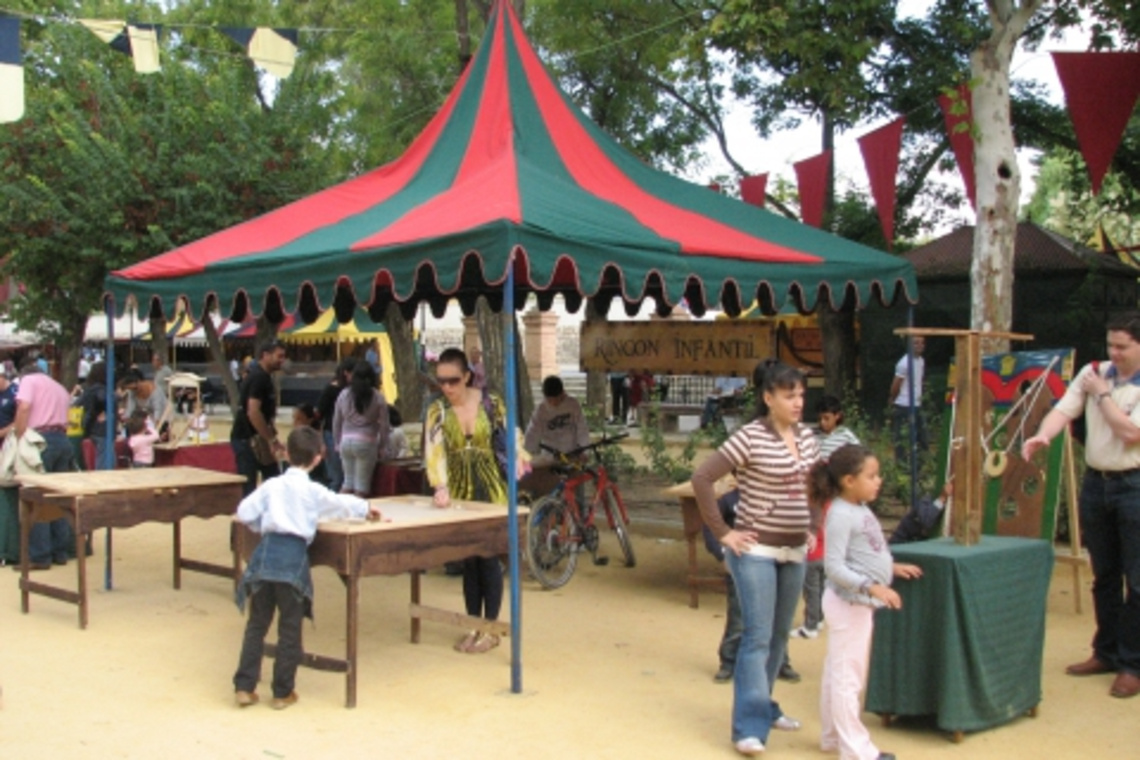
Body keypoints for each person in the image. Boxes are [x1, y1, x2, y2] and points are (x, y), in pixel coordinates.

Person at [691, 361, 821, 756]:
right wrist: (724, 533)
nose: (798, 402)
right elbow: (702, 479)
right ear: (768, 398)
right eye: (789, 395)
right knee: (757, 637)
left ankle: (764, 706)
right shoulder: (749, 437)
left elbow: (814, 485)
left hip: (794, 550)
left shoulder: (809, 437)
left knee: (780, 636)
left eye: (801, 394)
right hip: (756, 552)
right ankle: (748, 727)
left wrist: (813, 523)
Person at [1021, 311, 1140, 699]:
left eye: (1122, 346)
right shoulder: (1092, 371)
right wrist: (1042, 436)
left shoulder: (1103, 383)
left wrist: (1103, 394)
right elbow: (1063, 410)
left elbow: (1129, 434)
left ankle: (1132, 663)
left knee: (1136, 579)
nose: (1114, 353)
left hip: (1134, 484)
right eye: (1111, 345)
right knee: (1104, 574)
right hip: (1097, 483)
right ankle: (1104, 652)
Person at [232, 426, 381, 710]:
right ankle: (282, 692)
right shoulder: (313, 491)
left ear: (286, 453)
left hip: (264, 557)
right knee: (290, 628)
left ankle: (244, 686)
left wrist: (260, 523)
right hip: (293, 558)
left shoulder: (272, 486)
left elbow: (244, 512)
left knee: (257, 624)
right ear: (318, 458)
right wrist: (365, 508)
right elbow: (340, 504)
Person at [808, 443, 922, 760]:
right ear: (848, 480)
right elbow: (834, 566)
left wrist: (890, 568)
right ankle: (857, 750)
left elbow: (864, 551)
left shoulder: (858, 508)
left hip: (855, 603)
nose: (878, 481)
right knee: (848, 677)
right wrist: (872, 586)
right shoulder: (842, 514)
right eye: (871, 476)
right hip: (850, 604)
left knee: (839, 672)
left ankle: (833, 737)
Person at [423, 348, 529, 654]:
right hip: (459, 492)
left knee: (488, 559)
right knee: (469, 560)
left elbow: (512, 437)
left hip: (492, 491)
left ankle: (491, 629)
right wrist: (439, 485)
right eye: (440, 381)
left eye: (453, 381)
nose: (446, 387)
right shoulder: (437, 411)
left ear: (467, 376)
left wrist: (520, 459)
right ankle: (473, 624)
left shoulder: (491, 403)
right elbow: (434, 452)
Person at [792, 395, 864, 639]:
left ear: (838, 416)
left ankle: (819, 617)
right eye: (820, 418)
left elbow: (859, 460)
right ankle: (817, 616)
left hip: (835, 497)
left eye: (827, 418)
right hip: (817, 496)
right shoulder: (813, 437)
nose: (823, 423)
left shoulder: (847, 438)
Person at [13, 357, 76, 570]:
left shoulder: (28, 382)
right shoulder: (58, 386)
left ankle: (39, 555)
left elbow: (24, 408)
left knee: (36, 497)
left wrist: (20, 436)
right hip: (62, 439)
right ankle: (60, 551)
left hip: (40, 439)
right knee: (59, 498)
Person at [230, 341, 287, 497]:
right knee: (250, 486)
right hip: (247, 439)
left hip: (255, 438)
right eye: (279, 356)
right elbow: (253, 411)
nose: (282, 360)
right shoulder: (259, 377)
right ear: (266, 355)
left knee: (273, 481)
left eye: (283, 357)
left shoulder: (264, 377)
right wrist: (270, 439)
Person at [520, 375, 591, 498]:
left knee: (574, 491)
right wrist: (525, 453)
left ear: (562, 394)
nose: (553, 403)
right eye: (549, 400)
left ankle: (579, 513)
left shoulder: (572, 405)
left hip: (572, 455)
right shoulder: (541, 410)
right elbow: (533, 433)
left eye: (556, 399)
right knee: (551, 490)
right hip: (551, 457)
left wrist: (585, 450)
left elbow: (582, 429)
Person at [332, 362, 390, 499]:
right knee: (362, 486)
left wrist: (337, 442)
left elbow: (336, 421)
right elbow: (384, 425)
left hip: (346, 442)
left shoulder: (344, 395)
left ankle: (339, 509)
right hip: (367, 442)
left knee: (348, 482)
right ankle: (358, 513)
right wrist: (382, 446)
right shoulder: (377, 397)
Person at [315, 357, 355, 492]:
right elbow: (318, 416)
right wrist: (321, 442)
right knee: (337, 477)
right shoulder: (331, 390)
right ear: (346, 373)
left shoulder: (352, 391)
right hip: (331, 435)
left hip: (348, 436)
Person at [888, 336, 927, 464]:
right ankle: (901, 466)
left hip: (917, 404)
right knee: (902, 438)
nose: (919, 345)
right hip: (903, 404)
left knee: (921, 437)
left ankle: (920, 465)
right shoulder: (904, 363)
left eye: (921, 343)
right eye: (916, 343)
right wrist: (894, 399)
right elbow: (896, 384)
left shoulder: (921, 361)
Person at [77, 361, 115, 468]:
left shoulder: (89, 389)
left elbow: (79, 404)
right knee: (105, 459)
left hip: (92, 427)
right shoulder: (102, 390)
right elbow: (101, 400)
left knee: (104, 457)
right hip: (102, 428)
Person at [0, 364, 19, 442]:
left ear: (2, 376)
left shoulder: (16, 392)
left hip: (10, 440)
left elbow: (21, 419)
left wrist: (3, 432)